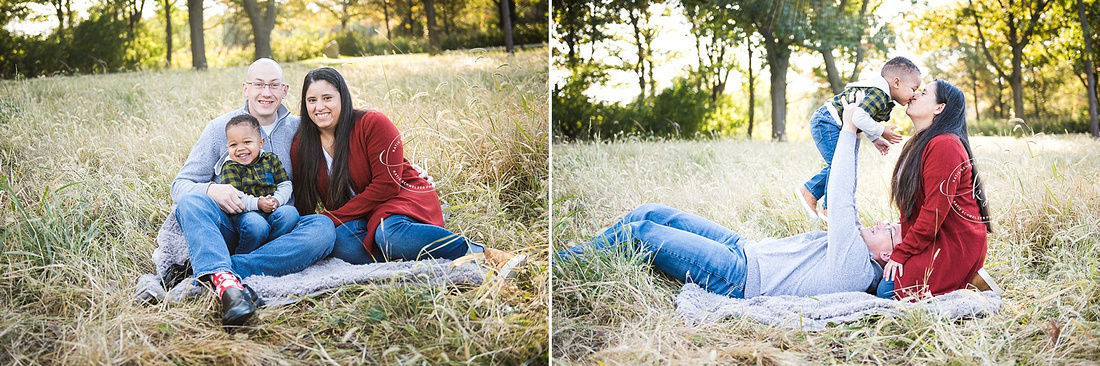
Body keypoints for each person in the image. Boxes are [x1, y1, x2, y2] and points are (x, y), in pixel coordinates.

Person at [557, 101, 899, 299]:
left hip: (740, 276)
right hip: (746, 248)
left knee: (641, 232)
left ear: (886, 255)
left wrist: (851, 129)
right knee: (652, 211)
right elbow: (843, 181)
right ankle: (587, 251)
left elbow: (841, 198)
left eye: (891, 229)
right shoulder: (857, 244)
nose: (883, 222)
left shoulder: (856, 267)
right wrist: (860, 128)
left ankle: (557, 267)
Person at [290, 67, 524, 273]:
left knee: (387, 234)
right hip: (360, 215)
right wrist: (305, 231)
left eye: (327, 98)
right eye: (312, 100)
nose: (319, 107)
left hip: (400, 197)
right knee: (337, 243)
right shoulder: (303, 145)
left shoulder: (372, 123)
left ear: (343, 98)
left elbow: (387, 186)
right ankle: (411, 257)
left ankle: (485, 255)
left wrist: (330, 218)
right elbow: (303, 199)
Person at [170, 58, 335, 328]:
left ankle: (222, 272)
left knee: (324, 228)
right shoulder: (219, 129)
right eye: (258, 84)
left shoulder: (301, 129)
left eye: (273, 85)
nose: (266, 92)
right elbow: (180, 185)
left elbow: (344, 142)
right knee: (191, 202)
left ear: (285, 90)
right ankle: (230, 280)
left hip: (283, 229)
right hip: (234, 226)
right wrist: (214, 189)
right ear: (246, 88)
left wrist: (403, 169)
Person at [883, 79, 991, 301]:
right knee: (880, 275)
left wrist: (901, 254)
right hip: (933, 237)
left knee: (887, 291)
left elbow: (933, 213)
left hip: (953, 243)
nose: (913, 95)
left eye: (923, 93)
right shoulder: (916, 144)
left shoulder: (945, 145)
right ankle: (960, 284)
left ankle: (968, 282)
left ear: (939, 107)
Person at [796, 56, 921, 221]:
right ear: (896, 82)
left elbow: (864, 118)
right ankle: (826, 205)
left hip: (833, 123)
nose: (915, 95)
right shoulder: (879, 93)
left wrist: (875, 138)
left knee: (844, 166)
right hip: (827, 122)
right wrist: (881, 131)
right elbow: (859, 117)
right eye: (914, 88)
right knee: (840, 165)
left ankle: (812, 192)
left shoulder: (881, 94)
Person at [221, 114, 299, 254]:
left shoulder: (271, 159)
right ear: (228, 147)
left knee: (290, 213)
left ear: (261, 143)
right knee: (256, 225)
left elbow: (285, 184)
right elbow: (235, 196)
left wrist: (276, 200)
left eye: (247, 142)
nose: (240, 148)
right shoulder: (230, 166)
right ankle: (243, 256)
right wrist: (258, 203)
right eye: (233, 144)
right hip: (246, 214)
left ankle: (270, 251)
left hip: (274, 208)